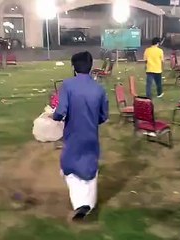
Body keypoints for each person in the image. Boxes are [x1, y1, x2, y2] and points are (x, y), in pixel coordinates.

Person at [51, 51, 109, 221]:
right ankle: (88, 204)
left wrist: (53, 116)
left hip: (73, 135)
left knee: (70, 167)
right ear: (91, 67)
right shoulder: (99, 89)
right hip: (91, 134)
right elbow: (103, 115)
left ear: (74, 67)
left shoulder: (68, 85)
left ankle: (80, 204)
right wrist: (91, 120)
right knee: (90, 167)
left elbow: (61, 112)